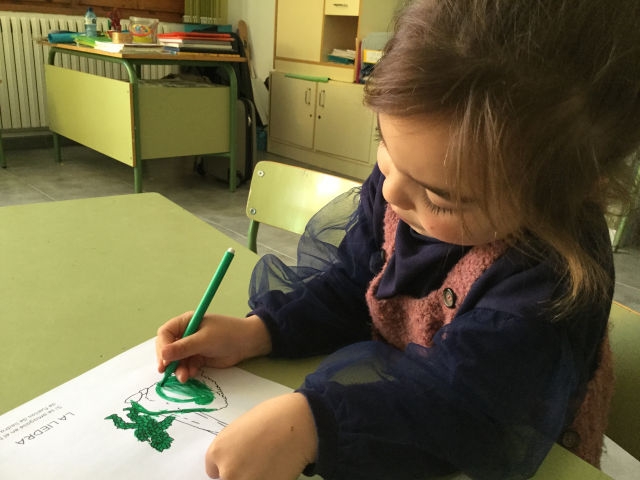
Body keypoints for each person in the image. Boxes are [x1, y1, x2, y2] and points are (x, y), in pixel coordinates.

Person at [156, 1, 640, 478]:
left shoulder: (553, 278)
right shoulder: (408, 185)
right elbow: (352, 286)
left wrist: (315, 427)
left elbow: (467, 414)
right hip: (400, 403)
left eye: (441, 197)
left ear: (563, 196)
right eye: (384, 146)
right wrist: (263, 330)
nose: (390, 193)